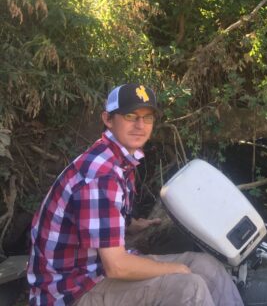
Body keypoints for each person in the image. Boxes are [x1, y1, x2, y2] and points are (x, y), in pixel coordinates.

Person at [27, 83, 244, 306]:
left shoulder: (118, 159)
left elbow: (98, 218)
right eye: (130, 116)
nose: (140, 125)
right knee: (188, 287)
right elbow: (116, 266)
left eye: (147, 117)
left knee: (208, 267)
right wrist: (174, 269)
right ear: (108, 119)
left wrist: (129, 224)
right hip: (72, 291)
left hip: (96, 270)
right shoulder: (101, 175)